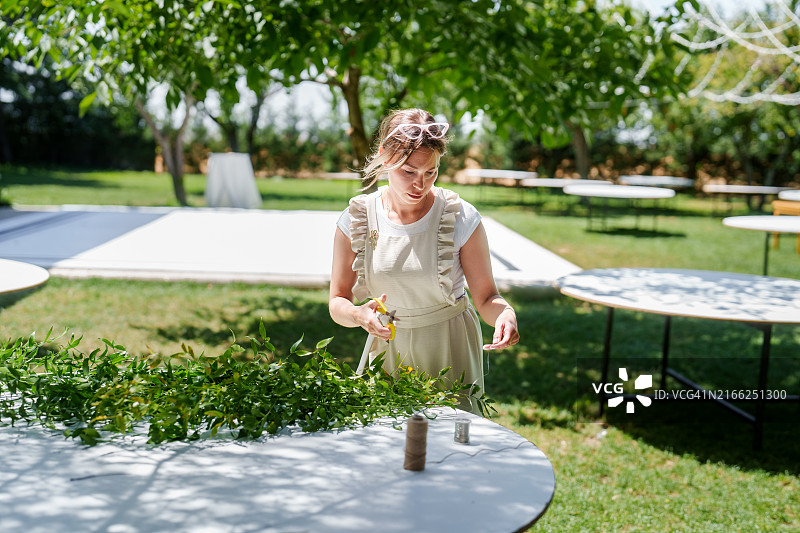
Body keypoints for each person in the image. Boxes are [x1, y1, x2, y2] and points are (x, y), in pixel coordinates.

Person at [329, 108, 519, 412]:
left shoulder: (460, 217)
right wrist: (356, 315)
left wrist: (505, 315)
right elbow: (337, 300)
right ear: (385, 157)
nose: (421, 184)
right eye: (409, 172)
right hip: (389, 350)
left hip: (449, 347)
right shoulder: (358, 218)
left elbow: (486, 297)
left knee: (453, 449)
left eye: (431, 172)